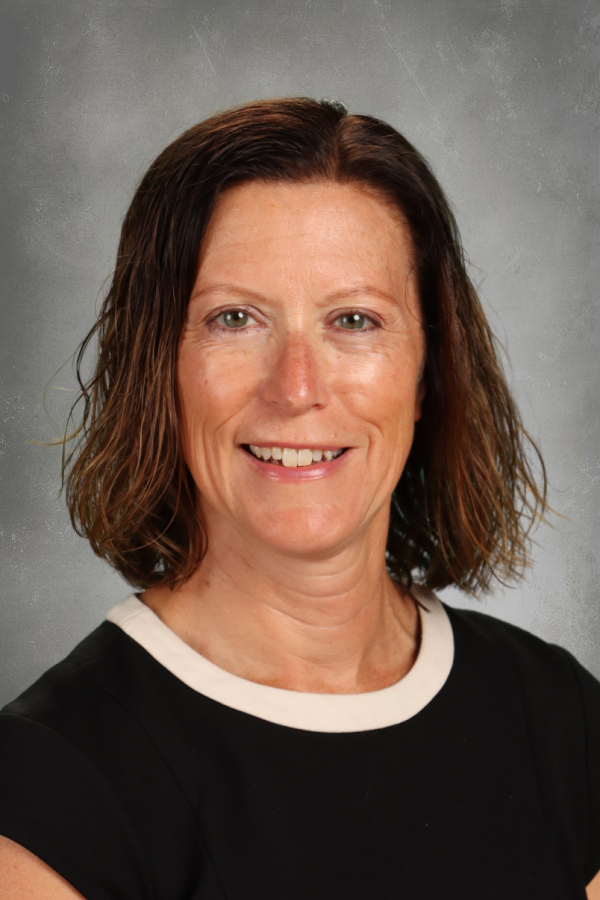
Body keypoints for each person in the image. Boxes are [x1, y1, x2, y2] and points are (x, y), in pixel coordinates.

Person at [0, 97, 598, 900]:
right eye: (234, 319)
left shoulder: (563, 726)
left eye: (354, 320)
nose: (298, 386)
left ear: (427, 374)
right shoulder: (47, 788)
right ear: (160, 372)